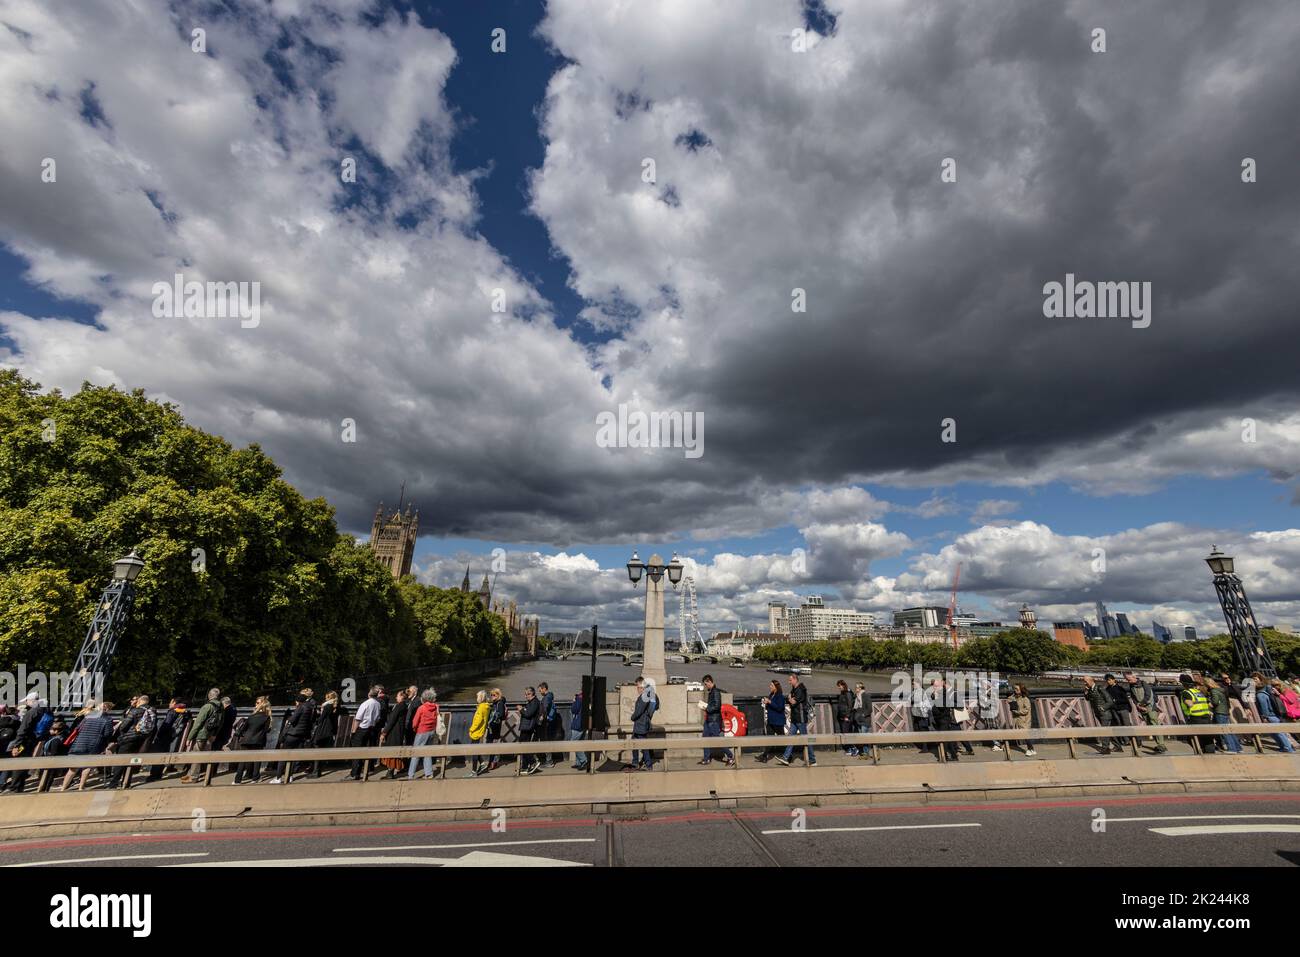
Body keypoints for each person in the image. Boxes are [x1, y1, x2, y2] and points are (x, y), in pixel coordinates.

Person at [59, 702, 117, 792]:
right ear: (108, 710)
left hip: (79, 743)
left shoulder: (89, 716)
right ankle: (81, 787)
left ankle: (63, 788)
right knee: (87, 767)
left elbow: (78, 728)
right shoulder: (108, 719)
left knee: (73, 768)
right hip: (93, 745)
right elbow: (107, 734)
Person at [108, 695, 155, 788]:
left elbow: (124, 726)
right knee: (132, 761)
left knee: (120, 761)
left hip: (128, 739)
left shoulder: (135, 710)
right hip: (141, 739)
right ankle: (126, 783)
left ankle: (114, 783)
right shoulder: (152, 711)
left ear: (141, 701)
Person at [272, 687, 318, 783]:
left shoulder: (301, 707)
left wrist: (289, 718)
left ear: (298, 701)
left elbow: (293, 720)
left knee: (283, 755)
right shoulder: (310, 707)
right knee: (293, 756)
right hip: (301, 734)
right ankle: (290, 776)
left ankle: (278, 777)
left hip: (292, 734)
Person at [180, 688, 223, 782]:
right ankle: (202, 774)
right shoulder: (221, 706)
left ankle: (193, 777)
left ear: (209, 696)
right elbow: (221, 722)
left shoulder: (207, 706)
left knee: (197, 755)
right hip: (211, 734)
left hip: (202, 734)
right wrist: (214, 734)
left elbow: (198, 723)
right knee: (206, 756)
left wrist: (190, 737)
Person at [778, 673, 816, 767]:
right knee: (791, 737)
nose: (789, 682)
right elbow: (790, 700)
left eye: (790, 680)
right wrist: (790, 698)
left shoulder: (801, 689)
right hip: (795, 718)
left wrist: (790, 698)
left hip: (801, 718)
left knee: (805, 739)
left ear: (795, 679)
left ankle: (812, 759)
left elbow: (793, 702)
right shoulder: (794, 689)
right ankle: (786, 758)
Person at [146, 699, 187, 783]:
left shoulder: (172, 711)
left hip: (163, 737)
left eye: (170, 702)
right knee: (164, 755)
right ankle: (159, 774)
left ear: (174, 703)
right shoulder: (183, 711)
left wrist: (158, 735)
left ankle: (153, 775)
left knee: (158, 756)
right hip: (171, 737)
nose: (169, 704)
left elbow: (166, 724)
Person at [1251, 673, 1295, 752]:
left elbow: (1264, 706)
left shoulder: (1260, 693)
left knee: (1279, 733)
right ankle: (1284, 747)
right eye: (1253, 679)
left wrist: (1264, 717)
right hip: (1274, 715)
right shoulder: (1266, 689)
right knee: (1275, 733)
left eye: (1255, 679)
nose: (1253, 681)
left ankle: (1288, 749)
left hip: (1270, 716)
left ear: (1261, 680)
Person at [348, 685, 384, 780]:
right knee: (366, 751)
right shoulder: (378, 704)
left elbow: (358, 719)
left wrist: (354, 731)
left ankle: (355, 773)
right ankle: (365, 771)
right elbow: (377, 718)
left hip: (362, 729)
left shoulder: (365, 704)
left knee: (357, 752)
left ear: (369, 694)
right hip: (371, 729)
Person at [233, 697, 273, 783]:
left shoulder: (251, 716)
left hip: (246, 740)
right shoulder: (267, 717)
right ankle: (255, 778)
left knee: (242, 761)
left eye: (257, 703)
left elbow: (243, 729)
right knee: (257, 760)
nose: (255, 704)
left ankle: (237, 780)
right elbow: (267, 730)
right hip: (258, 741)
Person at [1125, 672, 1166, 753]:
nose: (1128, 681)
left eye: (1129, 679)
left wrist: (1141, 704)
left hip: (1150, 707)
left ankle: (1161, 744)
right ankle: (1159, 744)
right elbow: (1133, 697)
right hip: (1141, 708)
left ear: (1134, 677)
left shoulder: (1144, 683)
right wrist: (1138, 705)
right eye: (1127, 680)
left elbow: (1149, 695)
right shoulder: (1131, 686)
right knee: (1150, 725)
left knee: (1154, 724)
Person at [698, 674, 733, 766]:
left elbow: (717, 706)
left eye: (706, 684)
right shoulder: (712, 692)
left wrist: (706, 708)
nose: (705, 686)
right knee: (705, 738)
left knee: (717, 740)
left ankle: (730, 756)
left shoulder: (716, 692)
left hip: (714, 720)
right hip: (709, 719)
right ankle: (706, 758)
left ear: (709, 681)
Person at [310, 690, 345, 777]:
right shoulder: (336, 706)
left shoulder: (327, 706)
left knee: (317, 749)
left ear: (329, 697)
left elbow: (321, 719)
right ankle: (319, 770)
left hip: (322, 730)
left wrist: (318, 715)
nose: (325, 698)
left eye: (326, 697)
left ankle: (316, 771)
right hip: (330, 731)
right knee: (322, 751)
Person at [1177, 674, 1215, 753]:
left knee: (1194, 739)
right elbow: (1210, 704)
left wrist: (1190, 702)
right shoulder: (1199, 692)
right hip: (1206, 718)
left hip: (1196, 718)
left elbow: (1190, 704)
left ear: (1183, 684)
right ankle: (1211, 756)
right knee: (1208, 739)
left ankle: (1201, 756)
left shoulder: (1185, 693)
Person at [377, 688, 410, 779]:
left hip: (394, 732)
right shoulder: (403, 705)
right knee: (393, 751)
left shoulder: (400, 706)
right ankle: (390, 772)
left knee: (391, 751)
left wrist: (384, 733)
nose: (396, 697)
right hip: (397, 731)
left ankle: (390, 773)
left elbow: (392, 720)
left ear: (402, 697)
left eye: (398, 695)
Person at [1204, 677, 1242, 754]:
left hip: (1219, 711)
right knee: (1229, 730)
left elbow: (1215, 702)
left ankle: (1231, 749)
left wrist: (1209, 703)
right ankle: (1238, 748)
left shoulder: (1213, 691)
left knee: (1224, 731)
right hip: (1225, 711)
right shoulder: (1221, 689)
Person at [626, 677, 657, 771]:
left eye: (637, 686)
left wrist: (632, 717)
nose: (637, 688)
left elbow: (639, 711)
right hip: (641, 724)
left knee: (643, 746)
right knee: (634, 743)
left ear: (641, 686)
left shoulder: (644, 697)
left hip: (641, 724)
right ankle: (635, 763)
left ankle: (648, 764)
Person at [1082, 675, 1119, 754]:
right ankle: (1118, 746)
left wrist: (1103, 708)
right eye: (1084, 681)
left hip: (1105, 713)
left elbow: (1110, 701)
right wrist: (1086, 692)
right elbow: (1088, 698)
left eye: (1086, 681)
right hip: (1098, 713)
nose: (1085, 683)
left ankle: (1105, 748)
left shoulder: (1100, 688)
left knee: (1104, 730)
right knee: (1108, 730)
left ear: (1091, 680)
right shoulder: (1091, 689)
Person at [408, 689, 440, 780]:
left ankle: (411, 775)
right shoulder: (435, 707)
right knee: (427, 753)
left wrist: (415, 729)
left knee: (416, 754)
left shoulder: (421, 708)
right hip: (431, 732)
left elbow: (414, 722)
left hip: (422, 732)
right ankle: (429, 774)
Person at [929, 679, 960, 762]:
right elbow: (932, 698)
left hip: (944, 719)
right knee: (947, 738)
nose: (934, 687)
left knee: (943, 738)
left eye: (935, 686)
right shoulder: (938, 693)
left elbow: (942, 707)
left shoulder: (944, 693)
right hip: (938, 719)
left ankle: (944, 756)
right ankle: (954, 756)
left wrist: (936, 697)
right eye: (933, 686)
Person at [757, 680, 786, 763]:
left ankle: (788, 755)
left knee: (783, 739)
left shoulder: (780, 696)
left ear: (776, 687)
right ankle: (764, 756)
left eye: (771, 685)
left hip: (778, 721)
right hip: (771, 721)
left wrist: (769, 702)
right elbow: (771, 706)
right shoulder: (771, 695)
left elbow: (780, 708)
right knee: (769, 739)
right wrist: (765, 703)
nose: (770, 686)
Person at [1104, 673, 1133, 748]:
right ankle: (1126, 741)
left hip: (1123, 708)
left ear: (1114, 680)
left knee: (1127, 725)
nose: (1108, 682)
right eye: (1107, 680)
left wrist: (1116, 701)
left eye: (1110, 680)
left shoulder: (1120, 688)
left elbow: (1125, 699)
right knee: (1119, 725)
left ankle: (1135, 740)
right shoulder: (1107, 689)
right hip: (1114, 709)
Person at [518, 686, 542, 774]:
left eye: (526, 694)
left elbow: (528, 714)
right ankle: (525, 766)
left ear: (531, 694)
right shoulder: (531, 702)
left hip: (528, 727)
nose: (525, 696)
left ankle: (533, 762)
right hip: (526, 726)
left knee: (523, 746)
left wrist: (521, 709)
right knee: (523, 745)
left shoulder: (535, 702)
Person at [468, 690, 490, 776]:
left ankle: (474, 771)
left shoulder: (481, 707)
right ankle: (482, 763)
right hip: (480, 731)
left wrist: (471, 729)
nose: (476, 698)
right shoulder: (486, 707)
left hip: (476, 732)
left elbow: (478, 720)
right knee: (475, 749)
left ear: (480, 698)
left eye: (477, 697)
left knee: (474, 751)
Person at [1009, 683, 1035, 755]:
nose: (1015, 690)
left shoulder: (1025, 699)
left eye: (1017, 689)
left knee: (1025, 734)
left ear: (1021, 690)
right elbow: (1010, 701)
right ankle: (1031, 749)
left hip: (1024, 720)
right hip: (1017, 719)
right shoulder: (1015, 698)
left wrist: (1017, 712)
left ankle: (1031, 749)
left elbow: (1026, 710)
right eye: (1014, 689)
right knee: (1023, 734)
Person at [485, 688, 507, 773]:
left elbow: (501, 714)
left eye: (494, 695)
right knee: (490, 744)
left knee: (493, 744)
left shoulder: (500, 703)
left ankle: (493, 762)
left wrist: (494, 716)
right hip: (492, 727)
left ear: (498, 695)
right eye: (491, 695)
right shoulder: (495, 703)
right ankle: (491, 762)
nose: (492, 696)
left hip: (495, 727)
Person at [538, 682, 559, 769]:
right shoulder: (550, 696)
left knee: (547, 741)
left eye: (540, 690)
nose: (540, 692)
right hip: (551, 722)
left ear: (544, 689)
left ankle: (549, 761)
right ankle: (549, 760)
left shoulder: (546, 698)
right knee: (548, 741)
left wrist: (542, 716)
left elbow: (545, 708)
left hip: (547, 723)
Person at [909, 678, 933, 753]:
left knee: (923, 729)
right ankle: (925, 745)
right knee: (919, 729)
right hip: (917, 714)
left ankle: (926, 747)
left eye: (914, 683)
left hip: (922, 714)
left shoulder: (921, 692)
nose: (913, 685)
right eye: (912, 684)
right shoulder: (914, 691)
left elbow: (918, 701)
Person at [834, 679, 857, 756]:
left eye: (839, 686)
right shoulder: (842, 693)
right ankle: (849, 749)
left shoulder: (848, 694)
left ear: (843, 685)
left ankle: (853, 748)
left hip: (846, 717)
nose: (838, 688)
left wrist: (847, 716)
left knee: (847, 734)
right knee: (846, 733)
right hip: (842, 716)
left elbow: (850, 706)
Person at [568, 689, 588, 771]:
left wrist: (574, 701)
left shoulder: (579, 698)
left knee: (573, 742)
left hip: (578, 723)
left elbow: (574, 710)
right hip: (584, 723)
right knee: (579, 742)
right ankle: (578, 762)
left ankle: (584, 760)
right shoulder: (588, 697)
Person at [851, 682, 871, 759]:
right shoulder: (856, 697)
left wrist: (862, 715)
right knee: (861, 737)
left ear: (860, 688)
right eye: (855, 688)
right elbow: (855, 708)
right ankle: (863, 752)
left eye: (857, 688)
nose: (855, 689)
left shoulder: (866, 696)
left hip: (865, 720)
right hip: (859, 720)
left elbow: (870, 709)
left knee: (864, 737)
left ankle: (866, 753)